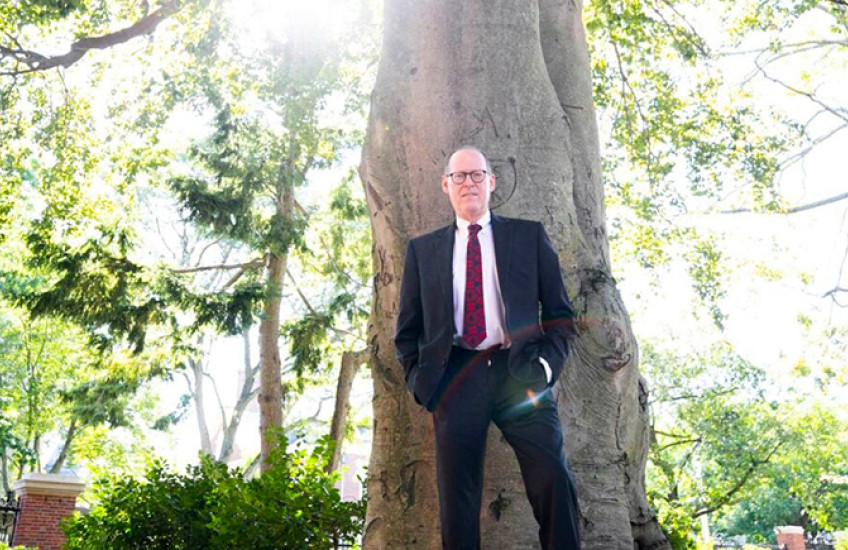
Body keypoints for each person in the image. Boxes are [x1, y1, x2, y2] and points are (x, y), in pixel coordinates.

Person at [394, 146, 582, 550]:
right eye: (459, 177)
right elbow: (407, 331)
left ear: (491, 182)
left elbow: (560, 316)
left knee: (553, 476)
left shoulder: (528, 236)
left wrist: (546, 370)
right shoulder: (422, 252)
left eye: (477, 175)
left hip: (521, 373)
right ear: (446, 186)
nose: (469, 184)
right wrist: (422, 384)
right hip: (456, 377)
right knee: (457, 500)